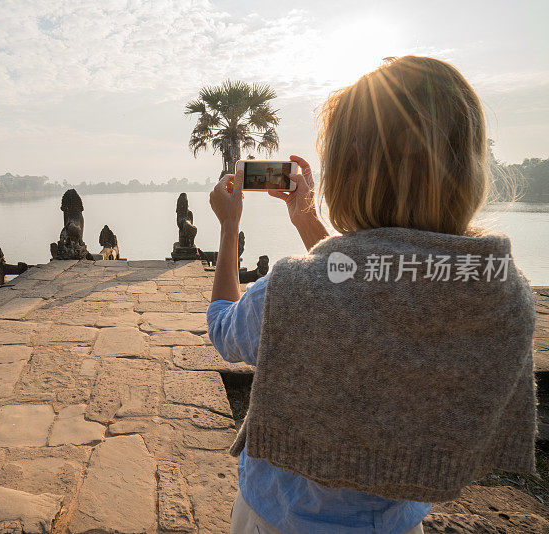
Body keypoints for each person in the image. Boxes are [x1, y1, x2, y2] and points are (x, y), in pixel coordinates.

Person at [207, 56, 536, 534]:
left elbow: (223, 328)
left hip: (279, 520)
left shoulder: (291, 292)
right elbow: (378, 282)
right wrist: (306, 219)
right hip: (397, 524)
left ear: (345, 173)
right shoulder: (504, 296)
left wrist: (230, 226)